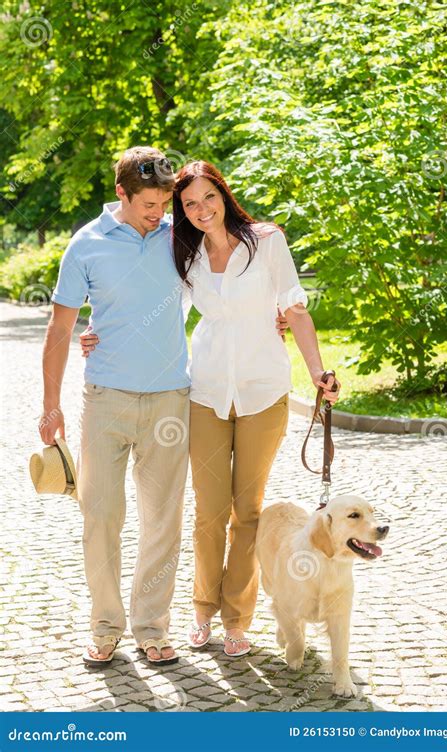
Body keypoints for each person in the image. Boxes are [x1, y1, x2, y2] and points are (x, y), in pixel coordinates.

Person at [81, 160, 340, 657]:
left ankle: (237, 621)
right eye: (190, 204)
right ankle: (202, 612)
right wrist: (100, 334)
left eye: (208, 198)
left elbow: (295, 309)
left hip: (264, 392)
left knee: (249, 511)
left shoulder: (266, 242)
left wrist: (318, 373)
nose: (201, 210)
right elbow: (153, 308)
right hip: (204, 392)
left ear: (224, 194)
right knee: (208, 511)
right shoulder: (185, 251)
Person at [39, 146, 191, 666]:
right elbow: (60, 328)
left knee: (163, 520)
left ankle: (152, 626)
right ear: (121, 194)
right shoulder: (86, 245)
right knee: (100, 516)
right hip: (104, 400)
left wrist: (278, 318)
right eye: (148, 204)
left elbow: (229, 282)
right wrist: (50, 405)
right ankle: (105, 626)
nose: (158, 214)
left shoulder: (180, 234)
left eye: (163, 204)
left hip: (171, 397)